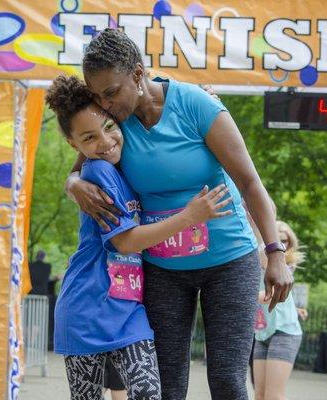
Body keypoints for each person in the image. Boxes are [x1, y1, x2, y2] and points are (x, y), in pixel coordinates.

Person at [65, 28, 293, 400]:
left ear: (138, 75)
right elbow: (80, 162)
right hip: (164, 272)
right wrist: (73, 184)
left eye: (111, 92)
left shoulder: (196, 105)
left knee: (227, 380)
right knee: (168, 386)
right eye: (97, 95)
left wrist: (274, 252)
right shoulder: (115, 123)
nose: (104, 104)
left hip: (229, 260)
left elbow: (251, 183)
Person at [45, 74, 232, 399]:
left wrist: (201, 99)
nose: (104, 142)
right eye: (89, 138)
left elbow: (157, 99)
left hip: (129, 309)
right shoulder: (99, 171)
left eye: (108, 127)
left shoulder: (126, 162)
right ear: (74, 144)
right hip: (87, 308)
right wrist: (188, 217)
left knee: (148, 392)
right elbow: (125, 241)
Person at [253, 220, 305, 400]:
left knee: (273, 396)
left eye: (286, 241)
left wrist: (242, 296)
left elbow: (272, 293)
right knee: (259, 395)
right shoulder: (256, 257)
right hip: (261, 333)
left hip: (285, 332)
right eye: (279, 239)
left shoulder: (285, 265)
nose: (283, 245)